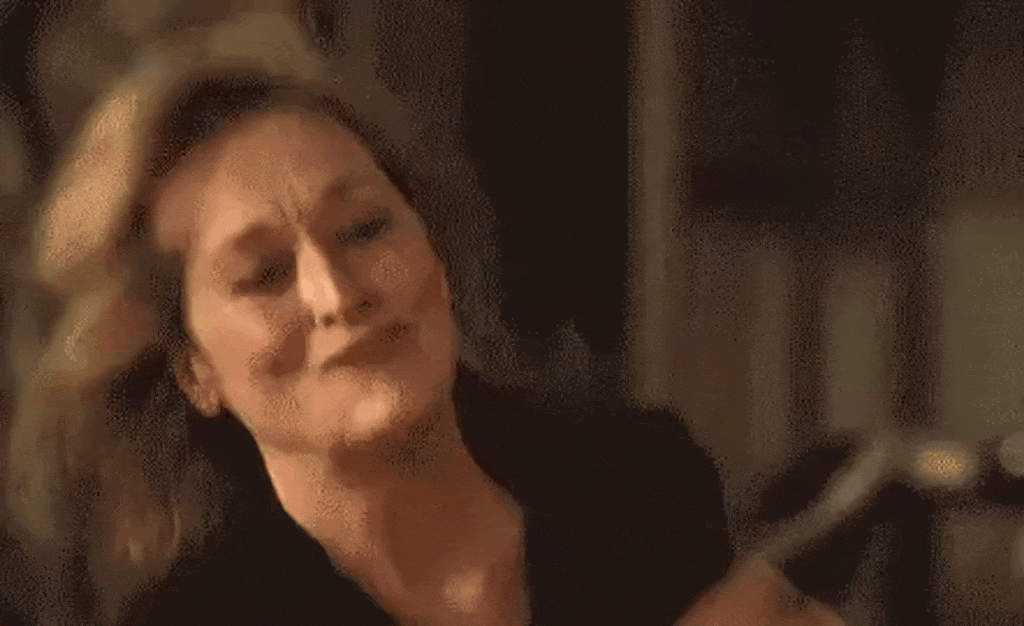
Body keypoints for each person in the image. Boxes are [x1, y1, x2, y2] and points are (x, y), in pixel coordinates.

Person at [2, 37, 741, 625]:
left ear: (435, 249)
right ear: (196, 370)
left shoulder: (643, 487)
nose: (337, 294)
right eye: (265, 274)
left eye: (364, 229)